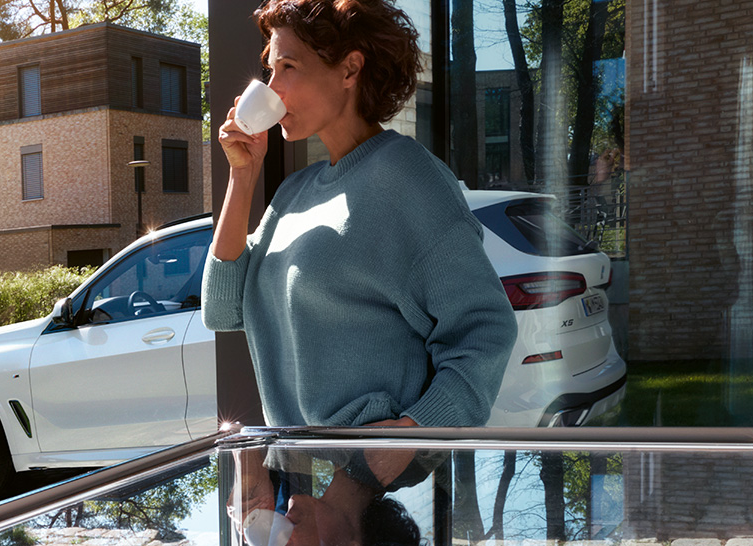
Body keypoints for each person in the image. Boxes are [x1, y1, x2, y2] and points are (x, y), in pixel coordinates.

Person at [202, 0, 517, 438]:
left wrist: (406, 440)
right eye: (270, 71)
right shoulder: (294, 193)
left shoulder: (406, 177)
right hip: (297, 473)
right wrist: (243, 174)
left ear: (350, 70)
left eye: (288, 67)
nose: (274, 89)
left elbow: (485, 329)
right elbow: (221, 309)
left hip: (373, 485)